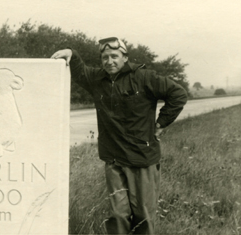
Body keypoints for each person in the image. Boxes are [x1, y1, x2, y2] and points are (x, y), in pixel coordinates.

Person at [51, 37, 188, 234]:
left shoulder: (144, 77)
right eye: (105, 57)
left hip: (142, 160)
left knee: (144, 218)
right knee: (117, 215)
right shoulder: (98, 80)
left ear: (125, 57)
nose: (109, 61)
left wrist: (161, 123)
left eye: (114, 56)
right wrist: (71, 53)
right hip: (114, 160)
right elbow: (81, 72)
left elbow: (178, 94)